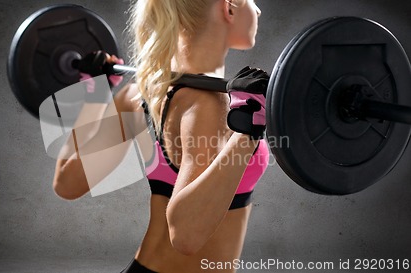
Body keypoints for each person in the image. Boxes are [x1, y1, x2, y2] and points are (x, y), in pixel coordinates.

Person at [52, 0, 269, 272]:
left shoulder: (140, 94)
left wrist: (94, 93)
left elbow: (66, 183)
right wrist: (246, 132)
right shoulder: (209, 105)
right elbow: (186, 236)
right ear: (229, 8)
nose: (258, 10)